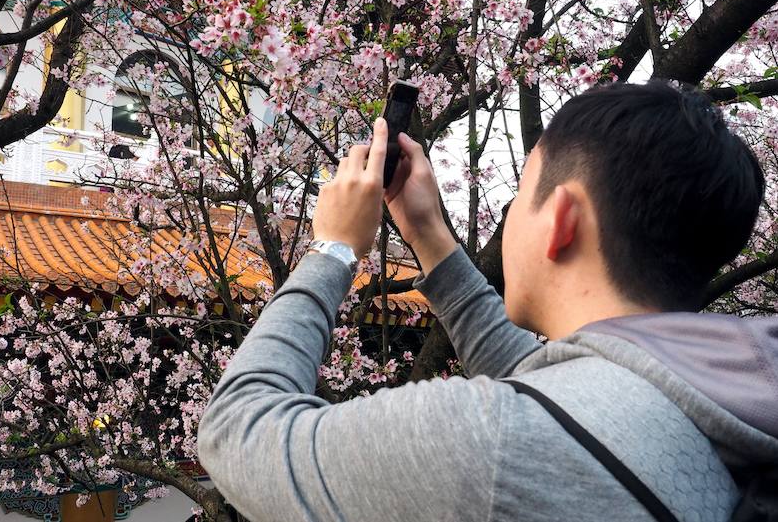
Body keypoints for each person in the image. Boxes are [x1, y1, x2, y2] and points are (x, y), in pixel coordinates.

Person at [198, 82, 778, 521]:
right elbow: (551, 388)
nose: (511, 214)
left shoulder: (495, 441)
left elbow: (235, 431)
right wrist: (428, 233)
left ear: (562, 217)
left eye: (521, 193)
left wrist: (333, 248)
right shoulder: (723, 400)